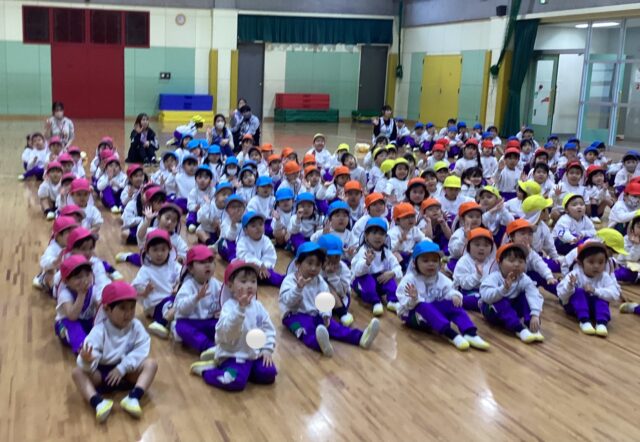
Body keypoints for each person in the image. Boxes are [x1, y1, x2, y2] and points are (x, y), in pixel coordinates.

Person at [71, 281, 157, 423]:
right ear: (107, 309)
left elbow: (142, 348)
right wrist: (87, 361)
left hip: (125, 374)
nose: (128, 313)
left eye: (132, 308)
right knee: (77, 372)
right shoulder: (99, 331)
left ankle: (133, 397)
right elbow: (88, 359)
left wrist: (122, 368)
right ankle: (98, 403)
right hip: (102, 376)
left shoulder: (136, 326)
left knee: (151, 364)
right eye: (122, 308)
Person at [279, 242, 380, 357]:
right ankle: (320, 344)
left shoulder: (320, 281)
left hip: (316, 314)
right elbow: (288, 302)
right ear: (298, 264)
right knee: (305, 330)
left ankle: (361, 337)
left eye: (317, 265)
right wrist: (298, 288)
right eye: (309, 263)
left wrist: (326, 315)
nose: (313, 268)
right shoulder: (289, 280)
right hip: (294, 316)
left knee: (336, 327)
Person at [190, 260, 277, 391]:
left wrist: (267, 349)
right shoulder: (228, 307)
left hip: (253, 355)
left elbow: (268, 329)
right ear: (230, 286)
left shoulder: (258, 306)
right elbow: (228, 334)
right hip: (233, 355)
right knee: (234, 382)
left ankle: (241, 371)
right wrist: (240, 310)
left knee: (269, 374)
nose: (249, 285)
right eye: (243, 281)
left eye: (253, 281)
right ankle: (207, 371)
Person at [397, 241, 490, 350]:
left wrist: (454, 295)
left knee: (453, 304)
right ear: (414, 263)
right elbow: (405, 303)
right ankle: (451, 334)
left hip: (434, 312)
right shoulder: (409, 280)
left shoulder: (440, 277)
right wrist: (414, 299)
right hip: (412, 315)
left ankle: (470, 333)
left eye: (435, 260)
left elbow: (450, 289)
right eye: (425, 261)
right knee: (423, 305)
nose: (431, 264)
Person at [479, 243, 545, 343]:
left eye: (521, 261)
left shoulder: (523, 278)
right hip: (492, 312)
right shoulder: (494, 277)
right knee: (501, 301)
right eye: (511, 260)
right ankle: (519, 329)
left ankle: (531, 325)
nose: (517, 264)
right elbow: (486, 297)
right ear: (499, 263)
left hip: (512, 308)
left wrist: (535, 314)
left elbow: (534, 294)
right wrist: (503, 289)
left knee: (525, 297)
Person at [557, 242, 620, 337]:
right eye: (591, 262)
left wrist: (595, 291)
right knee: (579, 292)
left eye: (601, 262)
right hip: (574, 309)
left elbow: (615, 294)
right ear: (580, 262)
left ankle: (601, 323)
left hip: (593, 309)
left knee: (602, 298)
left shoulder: (604, 276)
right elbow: (561, 296)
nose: (596, 266)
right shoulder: (575, 274)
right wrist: (570, 286)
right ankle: (584, 321)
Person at [174, 245, 223, 359]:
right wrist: (196, 298)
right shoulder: (187, 286)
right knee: (181, 327)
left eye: (210, 261)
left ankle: (227, 348)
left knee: (225, 325)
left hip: (210, 321)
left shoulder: (217, 285)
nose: (207, 265)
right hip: (191, 321)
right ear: (191, 269)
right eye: (201, 262)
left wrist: (223, 312)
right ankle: (209, 347)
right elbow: (180, 308)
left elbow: (227, 302)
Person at [131, 229, 181, 339]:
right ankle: (161, 322)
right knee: (175, 304)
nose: (159, 254)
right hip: (155, 304)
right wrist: (145, 292)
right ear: (148, 251)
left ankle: (174, 328)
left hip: (171, 300)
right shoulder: (146, 270)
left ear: (169, 250)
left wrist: (178, 285)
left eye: (163, 249)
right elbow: (134, 289)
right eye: (155, 250)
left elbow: (183, 276)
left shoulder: (173, 265)